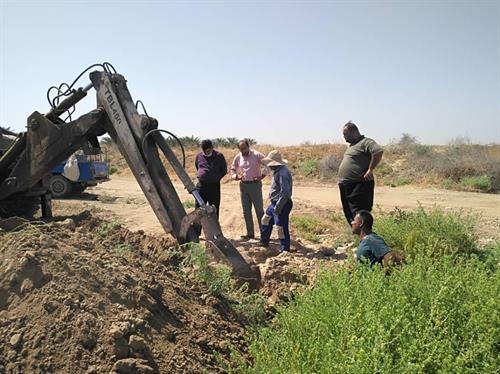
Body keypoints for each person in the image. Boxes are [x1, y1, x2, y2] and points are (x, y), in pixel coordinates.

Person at [338, 121, 384, 224]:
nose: (344, 137)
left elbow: (378, 151)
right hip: (346, 185)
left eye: (346, 134)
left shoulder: (366, 142)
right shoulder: (352, 146)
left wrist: (370, 170)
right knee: (349, 214)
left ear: (354, 132)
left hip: (359, 184)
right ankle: (357, 237)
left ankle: (366, 238)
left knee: (360, 214)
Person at [230, 139, 269, 240]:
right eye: (241, 149)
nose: (243, 151)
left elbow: (267, 164)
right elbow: (233, 168)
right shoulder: (238, 157)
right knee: (246, 210)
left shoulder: (257, 155)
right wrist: (235, 176)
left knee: (259, 210)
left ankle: (264, 234)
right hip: (243, 185)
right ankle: (250, 233)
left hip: (255, 185)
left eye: (245, 148)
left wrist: (262, 175)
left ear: (248, 146)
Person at [259, 150, 293, 252]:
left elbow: (285, 193)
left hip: (282, 203)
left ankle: (285, 249)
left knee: (280, 227)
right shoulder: (277, 171)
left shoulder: (283, 173)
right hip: (274, 203)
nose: (269, 165)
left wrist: (278, 207)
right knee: (266, 220)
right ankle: (264, 242)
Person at [194, 139, 227, 218]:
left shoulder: (219, 156)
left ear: (212, 148)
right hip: (201, 186)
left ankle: (214, 230)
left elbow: (224, 170)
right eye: (204, 151)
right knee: (199, 210)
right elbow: (197, 166)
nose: (206, 153)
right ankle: (197, 230)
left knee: (214, 209)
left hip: (214, 187)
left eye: (208, 151)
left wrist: (215, 178)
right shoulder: (199, 156)